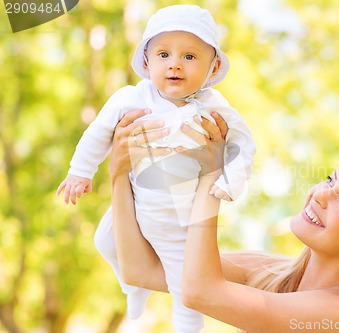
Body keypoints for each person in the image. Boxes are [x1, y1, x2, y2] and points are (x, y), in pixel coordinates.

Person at [108, 109, 339, 333]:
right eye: (331, 180)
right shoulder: (270, 272)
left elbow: (200, 292)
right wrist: (119, 174)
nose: (320, 194)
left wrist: (212, 178)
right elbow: (144, 270)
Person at [56, 4, 255, 332]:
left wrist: (232, 182)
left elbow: (244, 145)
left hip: (178, 218)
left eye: (190, 57)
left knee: (186, 286)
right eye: (164, 54)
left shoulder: (215, 107)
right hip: (135, 200)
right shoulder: (132, 97)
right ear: (147, 62)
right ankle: (134, 288)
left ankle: (188, 328)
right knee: (105, 242)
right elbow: (98, 133)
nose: (175, 64)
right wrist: (80, 171)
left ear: (213, 66)